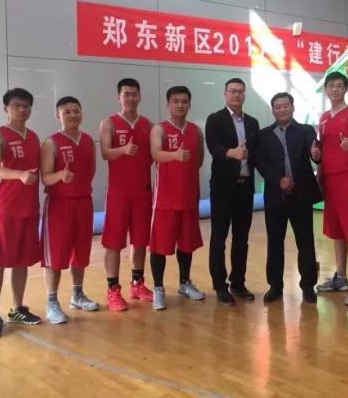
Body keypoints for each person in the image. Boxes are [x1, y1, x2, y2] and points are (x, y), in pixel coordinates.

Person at [0, 88, 43, 337]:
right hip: (4, 209)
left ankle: (17, 308)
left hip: (29, 208)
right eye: (17, 105)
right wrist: (19, 175)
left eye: (26, 105)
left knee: (22, 261)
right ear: (5, 108)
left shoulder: (34, 137)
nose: (22, 109)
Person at [256, 92, 320, 304]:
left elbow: (313, 150)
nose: (282, 109)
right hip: (275, 197)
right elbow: (261, 163)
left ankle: (308, 286)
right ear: (273, 110)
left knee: (306, 242)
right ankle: (275, 286)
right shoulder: (264, 135)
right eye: (278, 106)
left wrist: (316, 154)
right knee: (275, 242)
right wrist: (278, 179)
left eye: (286, 106)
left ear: (293, 108)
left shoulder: (305, 130)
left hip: (301, 195)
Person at [40, 96, 99, 324]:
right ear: (58, 115)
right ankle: (51, 302)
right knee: (55, 256)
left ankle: (77, 295)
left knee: (81, 252)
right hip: (59, 205)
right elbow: (45, 178)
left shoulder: (88, 140)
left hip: (83, 202)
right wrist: (60, 176)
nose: (73, 115)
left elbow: (91, 171)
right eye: (67, 112)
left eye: (76, 111)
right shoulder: (51, 143)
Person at [315, 72, 348, 306]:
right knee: (337, 232)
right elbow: (320, 150)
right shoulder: (323, 117)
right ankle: (341, 277)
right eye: (331, 86)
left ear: (345, 89)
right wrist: (318, 167)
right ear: (326, 90)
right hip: (329, 179)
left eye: (339, 86)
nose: (335, 89)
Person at [99, 78, 154, 311]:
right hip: (118, 194)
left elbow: (155, 154)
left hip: (142, 192)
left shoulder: (148, 125)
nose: (130, 98)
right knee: (113, 243)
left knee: (140, 241)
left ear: (139, 96)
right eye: (126, 94)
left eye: (134, 94)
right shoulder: (109, 123)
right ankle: (113, 289)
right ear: (119, 97)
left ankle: (137, 283)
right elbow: (105, 153)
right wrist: (123, 150)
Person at [150, 86, 206, 310]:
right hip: (165, 199)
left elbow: (198, 160)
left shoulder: (196, 130)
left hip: (189, 197)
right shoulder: (159, 129)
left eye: (184, 101)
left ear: (189, 104)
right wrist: (175, 155)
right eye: (176, 101)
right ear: (168, 104)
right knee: (159, 246)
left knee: (187, 244)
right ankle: (158, 288)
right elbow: (155, 154)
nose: (180, 105)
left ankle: (184, 283)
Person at [205, 78, 260, 306]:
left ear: (244, 95)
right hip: (222, 189)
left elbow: (257, 153)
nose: (237, 95)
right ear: (225, 94)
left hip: (245, 188)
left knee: (241, 238)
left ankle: (238, 282)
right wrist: (231, 153)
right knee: (219, 238)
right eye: (232, 91)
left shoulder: (252, 122)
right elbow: (213, 147)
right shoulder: (215, 119)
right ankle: (220, 286)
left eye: (240, 92)